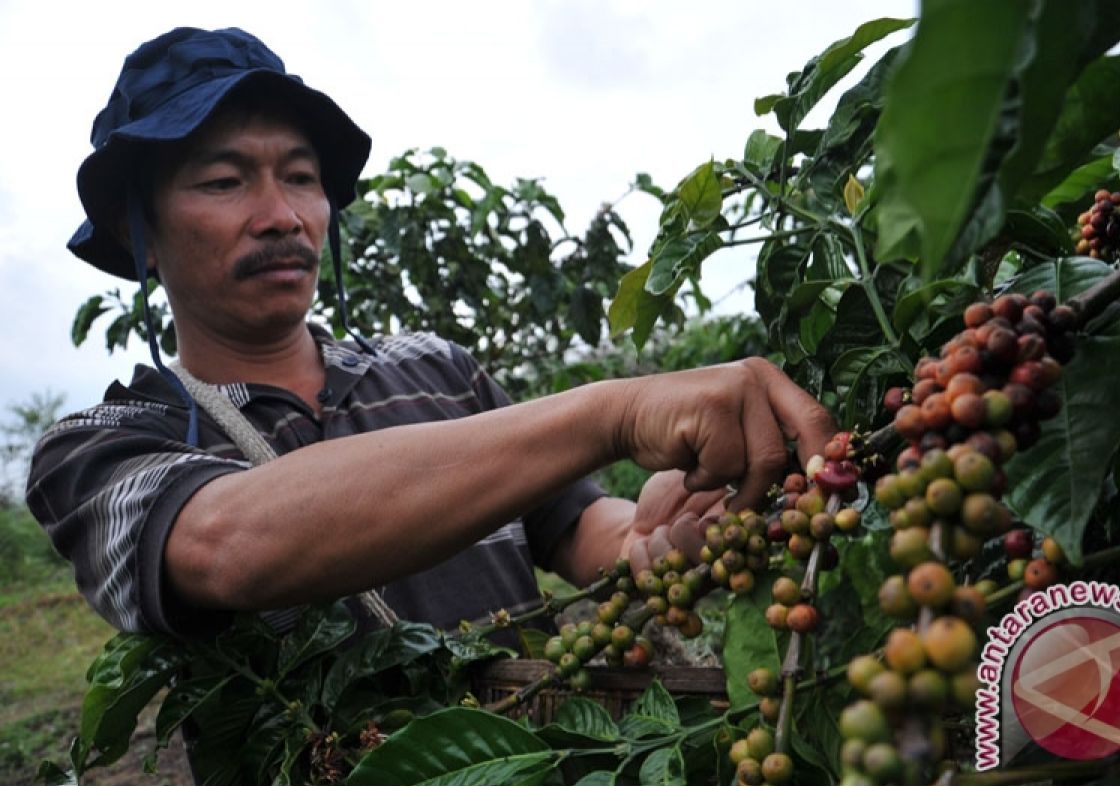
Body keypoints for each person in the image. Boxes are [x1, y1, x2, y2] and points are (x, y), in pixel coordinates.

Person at [27, 27, 834, 641]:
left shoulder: (434, 368)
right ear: (142, 233)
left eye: (302, 178)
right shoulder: (102, 447)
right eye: (223, 181)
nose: (282, 217)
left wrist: (655, 533)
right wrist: (612, 412)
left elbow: (578, 528)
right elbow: (224, 543)